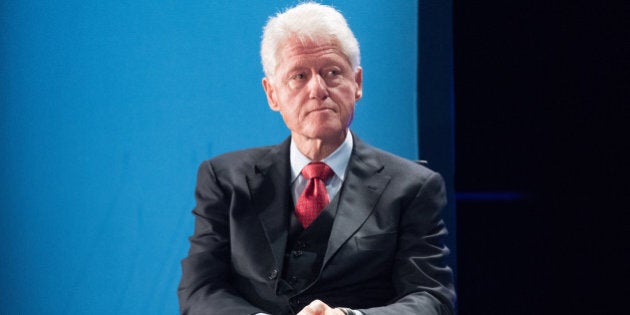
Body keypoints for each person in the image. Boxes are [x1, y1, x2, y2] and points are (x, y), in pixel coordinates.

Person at [178, 2, 455, 314]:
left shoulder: (412, 187)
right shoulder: (224, 179)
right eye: (299, 76)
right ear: (272, 93)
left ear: (357, 83)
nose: (317, 89)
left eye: (332, 72)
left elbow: (432, 299)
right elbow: (200, 289)